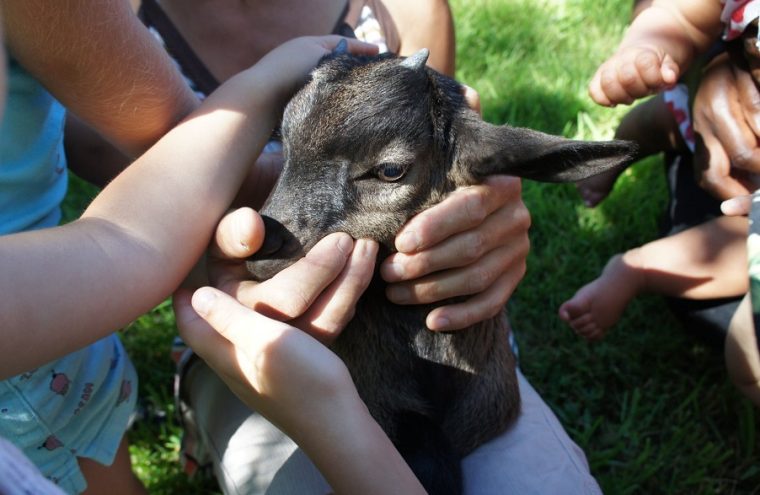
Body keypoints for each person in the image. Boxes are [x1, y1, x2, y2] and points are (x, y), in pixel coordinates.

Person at [559, 0, 760, 405]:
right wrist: (644, 51)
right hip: (736, 110)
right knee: (661, 122)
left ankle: (640, 268)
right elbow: (683, 16)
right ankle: (612, 160)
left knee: (743, 237)